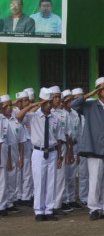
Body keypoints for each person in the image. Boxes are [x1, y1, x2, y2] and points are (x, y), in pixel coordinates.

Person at [71, 77, 104, 220]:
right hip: (94, 149)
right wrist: (90, 94)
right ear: (98, 91)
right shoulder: (89, 106)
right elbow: (73, 105)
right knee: (95, 180)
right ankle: (94, 209)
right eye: (103, 88)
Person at [16, 88, 63, 221]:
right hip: (38, 152)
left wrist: (60, 156)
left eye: (50, 102)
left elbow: (59, 139)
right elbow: (18, 117)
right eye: (47, 102)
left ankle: (49, 210)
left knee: (51, 182)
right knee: (39, 182)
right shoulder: (33, 116)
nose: (50, 105)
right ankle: (39, 211)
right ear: (41, 103)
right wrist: (31, 105)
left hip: (53, 152)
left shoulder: (56, 118)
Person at [0, 94, 25, 213]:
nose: (9, 108)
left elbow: (14, 141)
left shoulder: (14, 121)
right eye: (6, 106)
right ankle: (2, 204)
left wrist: (14, 158)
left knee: (10, 180)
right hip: (4, 155)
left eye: (11, 105)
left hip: (10, 154)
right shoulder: (2, 119)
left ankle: (9, 203)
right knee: (3, 181)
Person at [50, 86, 73, 214]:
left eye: (59, 97)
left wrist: (69, 151)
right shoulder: (46, 113)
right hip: (49, 148)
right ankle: (47, 204)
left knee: (60, 177)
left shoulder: (64, 114)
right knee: (48, 178)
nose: (58, 99)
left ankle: (57, 205)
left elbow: (68, 135)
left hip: (62, 147)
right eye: (55, 97)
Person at [61, 90, 83, 209]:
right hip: (66, 147)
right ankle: (64, 200)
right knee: (64, 174)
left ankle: (71, 199)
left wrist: (78, 152)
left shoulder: (75, 114)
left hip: (74, 146)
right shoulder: (61, 114)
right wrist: (69, 150)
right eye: (68, 100)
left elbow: (78, 133)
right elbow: (65, 134)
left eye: (72, 100)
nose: (70, 102)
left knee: (72, 175)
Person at [15, 90, 34, 206]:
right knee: (17, 171)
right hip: (15, 145)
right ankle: (18, 195)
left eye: (28, 100)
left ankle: (26, 196)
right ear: (19, 102)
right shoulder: (13, 112)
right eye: (25, 100)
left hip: (27, 143)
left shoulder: (29, 113)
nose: (27, 102)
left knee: (27, 171)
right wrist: (16, 102)